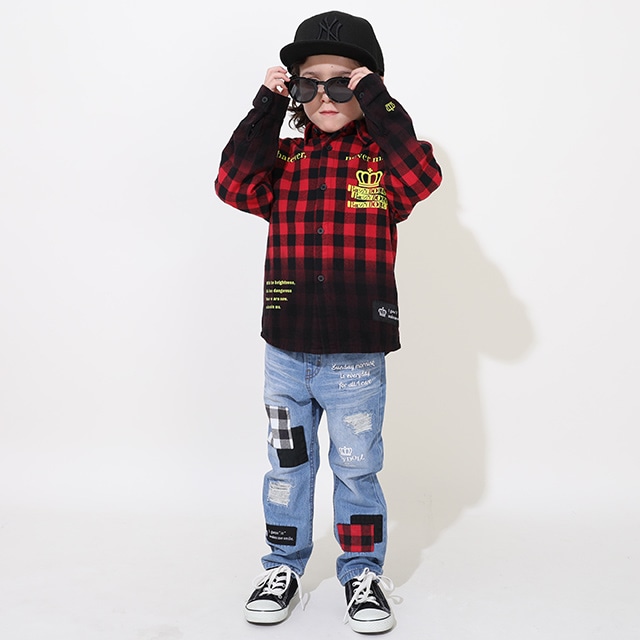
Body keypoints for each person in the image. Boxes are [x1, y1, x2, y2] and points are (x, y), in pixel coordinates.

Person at [214, 10, 441, 634]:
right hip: (286, 352)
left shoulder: (381, 165)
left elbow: (423, 176)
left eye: (343, 82)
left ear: (367, 86)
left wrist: (380, 101)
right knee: (286, 467)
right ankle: (282, 566)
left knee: (356, 467)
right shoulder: (284, 161)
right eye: (309, 83)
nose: (325, 96)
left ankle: (362, 570)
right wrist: (266, 105)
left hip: (356, 356)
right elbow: (231, 183)